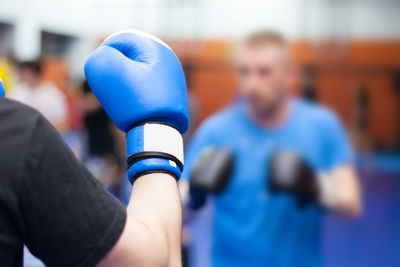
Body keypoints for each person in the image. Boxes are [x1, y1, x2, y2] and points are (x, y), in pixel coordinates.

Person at [0, 30, 187, 267]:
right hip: (53, 152)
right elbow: (155, 260)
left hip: (91, 148)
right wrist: (159, 128)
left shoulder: (32, 113)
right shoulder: (16, 130)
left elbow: (70, 120)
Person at [180, 31, 362, 267]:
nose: (252, 84)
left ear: (289, 75)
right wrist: (194, 194)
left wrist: (315, 185)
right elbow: (179, 215)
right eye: (244, 72)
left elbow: (351, 202)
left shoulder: (322, 125)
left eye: (264, 72)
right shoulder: (216, 130)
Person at [9, 59, 68, 134]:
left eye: (22, 71)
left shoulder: (53, 94)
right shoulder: (17, 91)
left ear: (33, 72)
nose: (19, 75)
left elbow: (62, 124)